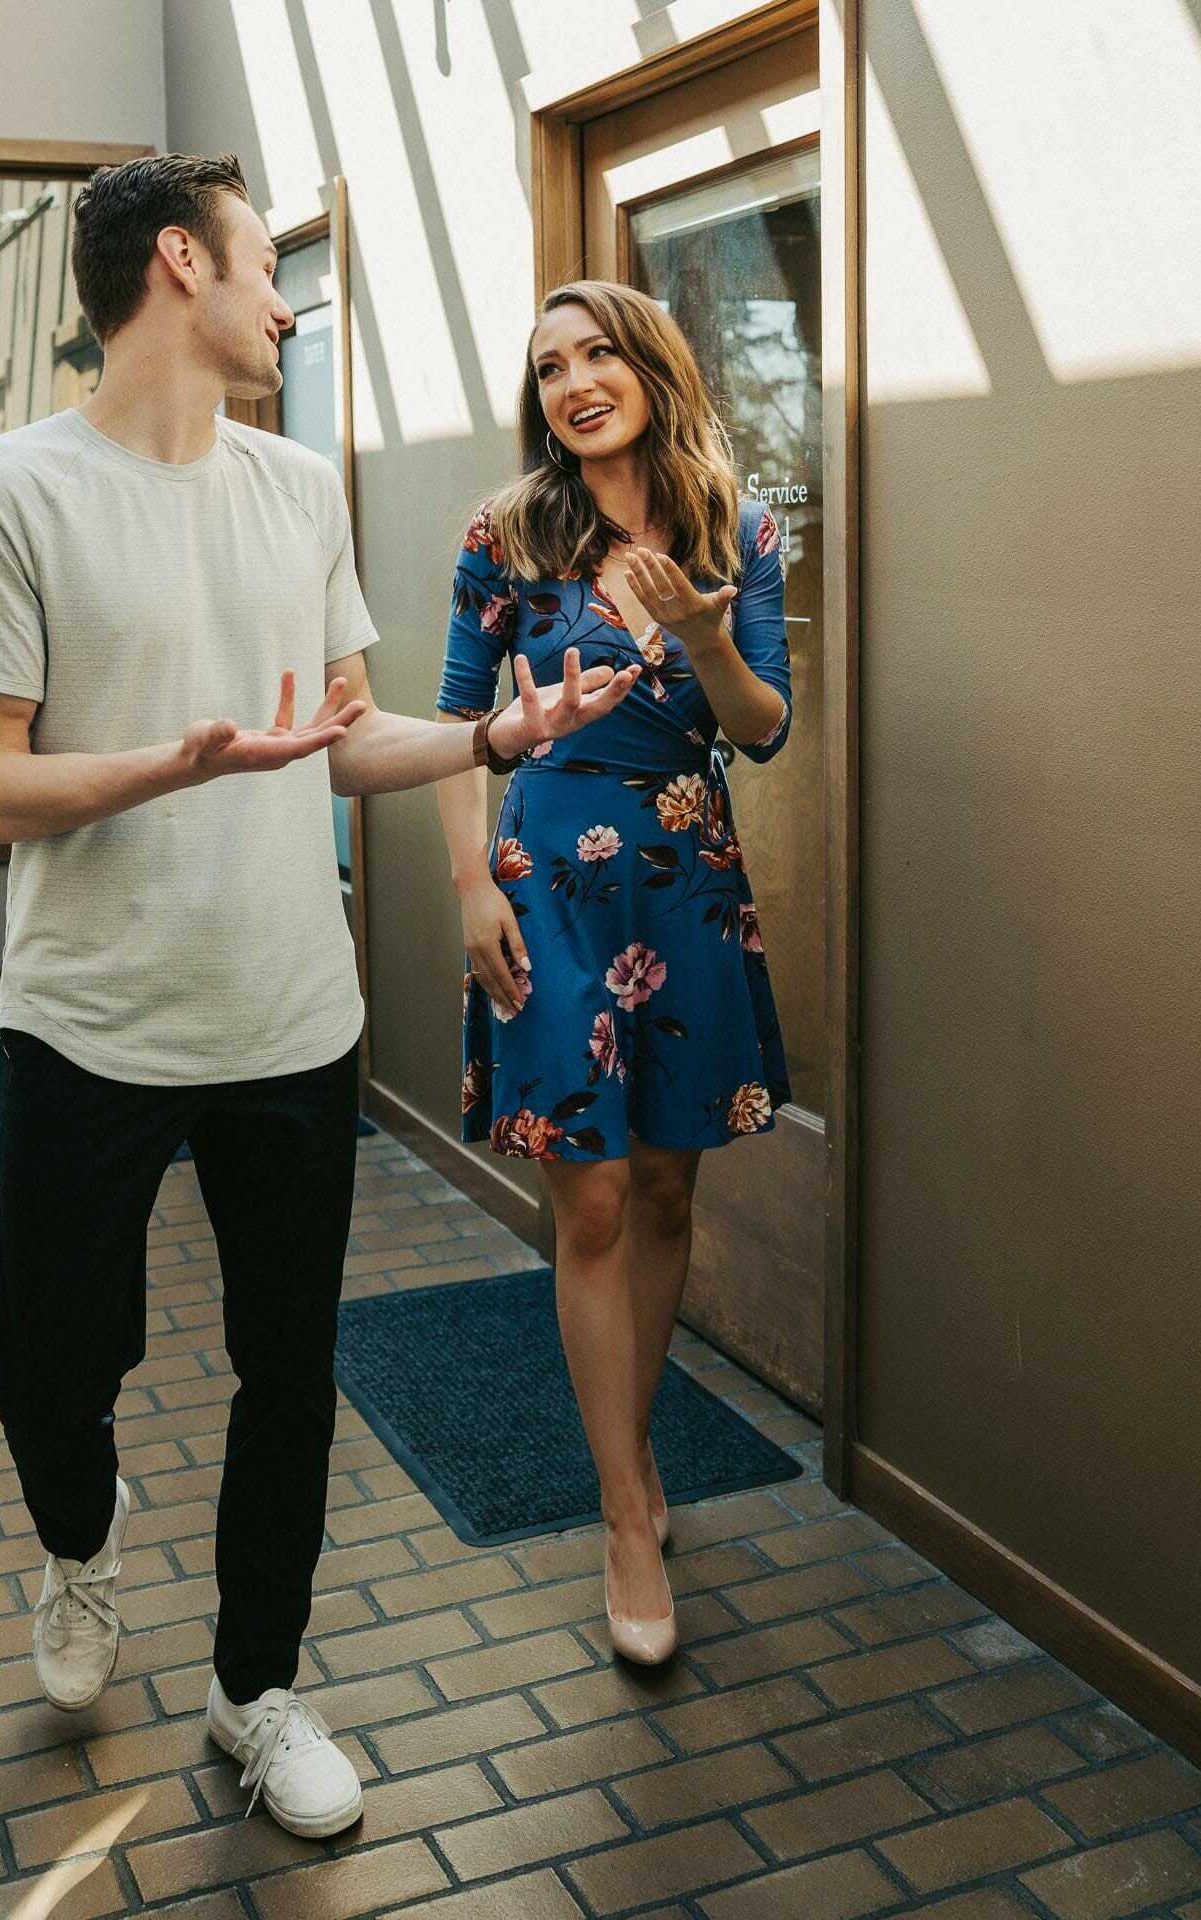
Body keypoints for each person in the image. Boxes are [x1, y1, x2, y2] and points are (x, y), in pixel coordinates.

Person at [0, 156, 638, 1839]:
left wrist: (491, 735)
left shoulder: (300, 487)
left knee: (290, 1375)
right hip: (91, 1023)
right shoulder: (5, 495)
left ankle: (255, 1690)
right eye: (265, 269)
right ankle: (81, 1546)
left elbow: (344, 734)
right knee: (47, 1370)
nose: (286, 307)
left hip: (291, 1022)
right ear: (182, 264)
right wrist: (167, 766)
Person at [433, 280, 792, 1667]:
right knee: (587, 1199)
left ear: (649, 366)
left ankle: (630, 1453)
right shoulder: (509, 532)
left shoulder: (734, 527)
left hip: (684, 874)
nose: (574, 384)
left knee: (665, 1187)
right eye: (549, 368)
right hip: (545, 884)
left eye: (596, 356)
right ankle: (627, 1513)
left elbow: (760, 726)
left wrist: (701, 631)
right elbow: (455, 719)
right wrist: (470, 884)